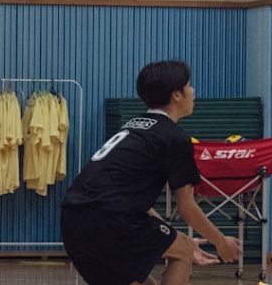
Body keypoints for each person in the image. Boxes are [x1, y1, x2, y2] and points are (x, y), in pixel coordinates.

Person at [61, 60, 241, 285]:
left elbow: (133, 199)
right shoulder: (174, 138)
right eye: (189, 85)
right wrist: (221, 242)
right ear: (177, 95)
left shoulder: (133, 126)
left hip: (74, 220)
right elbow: (187, 206)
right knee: (184, 252)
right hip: (111, 219)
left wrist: (170, 238)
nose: (193, 91)